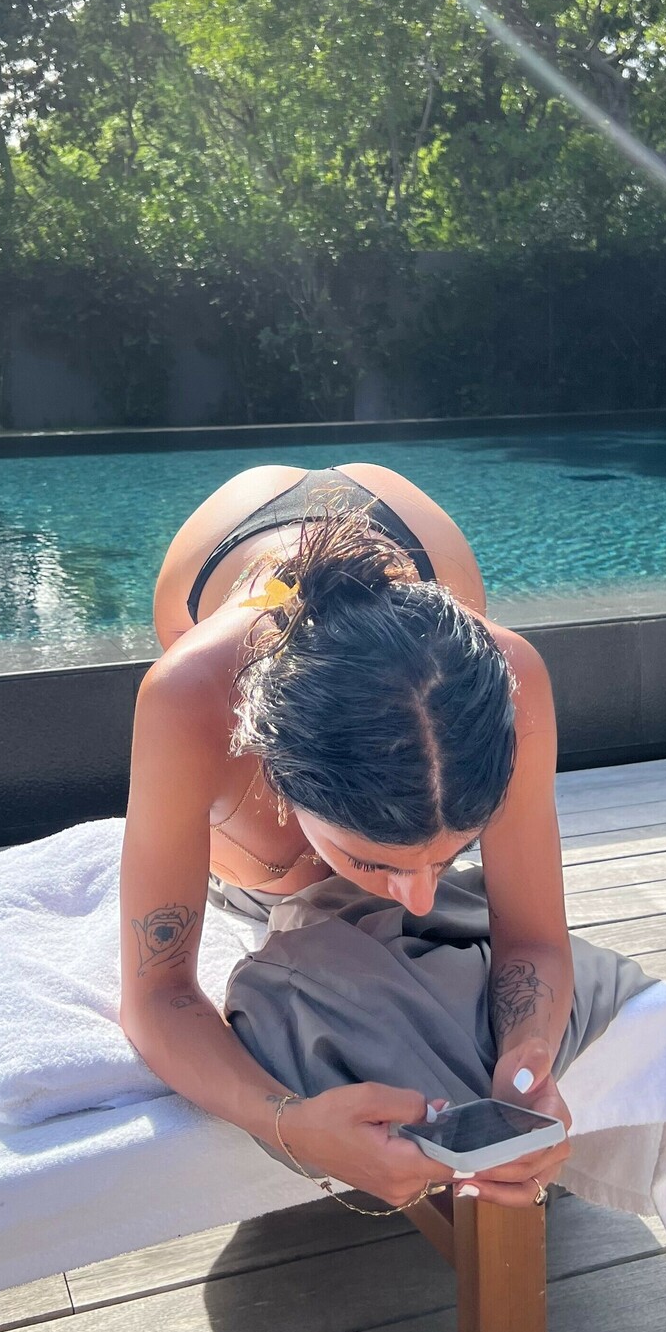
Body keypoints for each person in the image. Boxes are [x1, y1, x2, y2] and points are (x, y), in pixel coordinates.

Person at [117, 460, 599, 1214]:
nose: (423, 899)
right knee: (270, 868)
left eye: (454, 857)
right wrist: (287, 1122)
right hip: (225, 552)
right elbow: (156, 995)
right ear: (272, 768)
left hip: (408, 527)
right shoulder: (189, 698)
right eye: (370, 862)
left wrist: (526, 1058)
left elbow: (536, 937)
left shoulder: (509, 676)